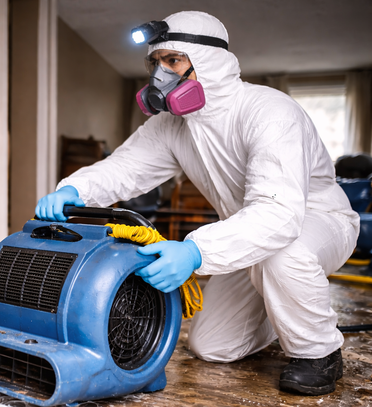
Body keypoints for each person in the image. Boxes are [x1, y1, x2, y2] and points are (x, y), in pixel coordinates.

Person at [35, 11, 359, 396]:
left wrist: (194, 251)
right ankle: (283, 309)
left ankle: (318, 352)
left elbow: (279, 215)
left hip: (316, 224)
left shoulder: (269, 111)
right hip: (247, 234)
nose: (161, 74)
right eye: (155, 62)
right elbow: (125, 168)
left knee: (284, 257)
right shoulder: (172, 124)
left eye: (173, 61)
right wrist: (75, 190)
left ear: (207, 61)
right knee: (213, 347)